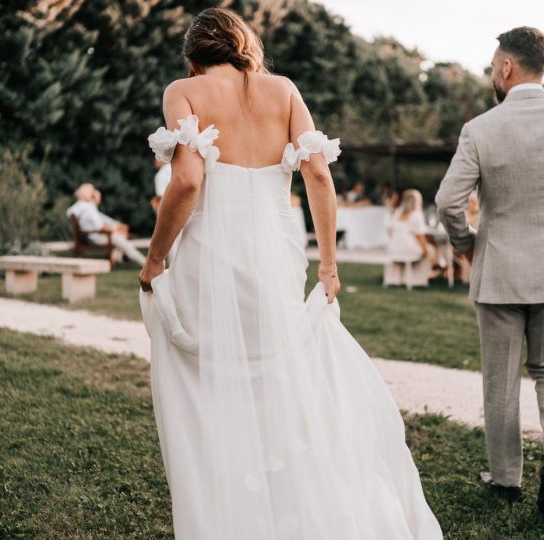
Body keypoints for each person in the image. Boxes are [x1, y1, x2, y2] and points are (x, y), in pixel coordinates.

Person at [138, 8, 441, 539]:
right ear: (243, 45)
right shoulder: (283, 90)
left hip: (211, 254)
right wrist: (328, 262)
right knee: (280, 383)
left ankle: (231, 513)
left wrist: (156, 258)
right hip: (276, 258)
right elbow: (318, 173)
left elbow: (186, 182)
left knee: (210, 389)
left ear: (193, 54)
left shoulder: (182, 90)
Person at [435, 27, 544, 522]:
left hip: (499, 274)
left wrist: (468, 246)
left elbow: (448, 202)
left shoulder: (480, 129)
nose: (494, 74)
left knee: (501, 380)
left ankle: (506, 478)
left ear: (507, 67)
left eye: (494, 66)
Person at [65, 183, 146, 266]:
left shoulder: (80, 207)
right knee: (123, 241)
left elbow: (103, 220)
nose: (95, 195)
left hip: (89, 236)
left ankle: (117, 258)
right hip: (95, 238)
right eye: (93, 193)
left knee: (120, 235)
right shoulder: (89, 208)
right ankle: (144, 263)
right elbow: (99, 227)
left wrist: (115, 228)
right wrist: (114, 229)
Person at [384, 189, 436, 287]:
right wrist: (427, 252)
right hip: (408, 249)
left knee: (427, 249)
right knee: (431, 249)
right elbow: (420, 237)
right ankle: (419, 280)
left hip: (394, 248)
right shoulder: (416, 215)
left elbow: (390, 231)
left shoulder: (397, 213)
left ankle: (397, 279)